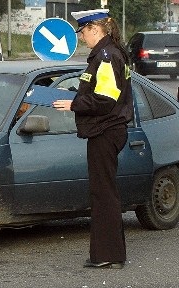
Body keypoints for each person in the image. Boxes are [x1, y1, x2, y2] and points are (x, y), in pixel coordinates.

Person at [52, 9, 133, 269]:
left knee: (104, 194)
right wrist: (72, 94)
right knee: (103, 192)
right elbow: (99, 90)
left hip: (105, 129)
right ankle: (107, 254)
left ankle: (109, 255)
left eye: (84, 32)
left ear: (95, 30)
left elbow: (106, 99)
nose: (83, 38)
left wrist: (74, 103)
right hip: (106, 129)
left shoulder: (106, 56)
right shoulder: (106, 54)